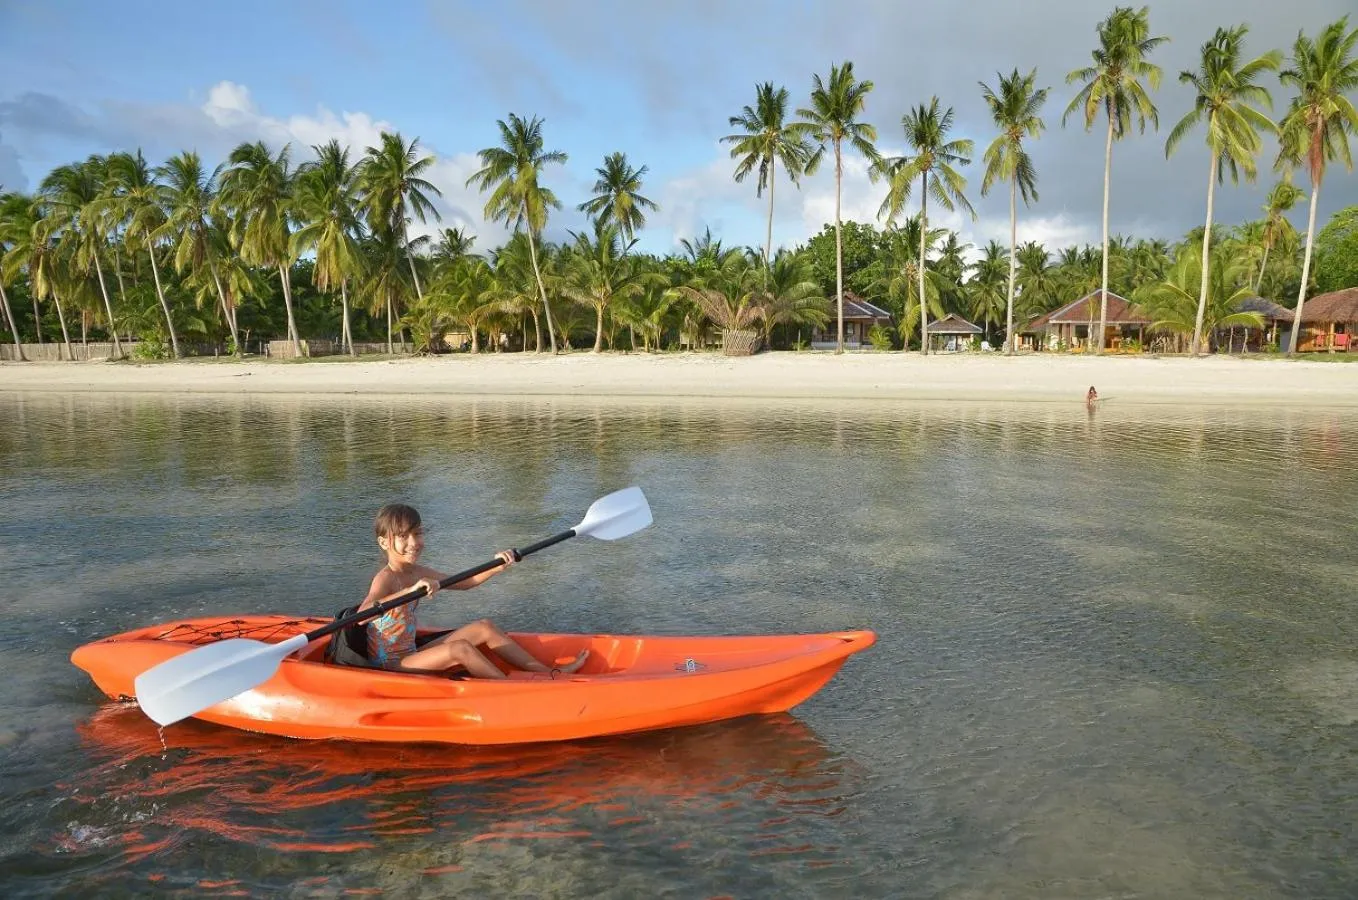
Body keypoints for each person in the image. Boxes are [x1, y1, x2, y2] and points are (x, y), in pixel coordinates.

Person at [359, 503, 588, 678]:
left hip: (411, 651)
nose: (413, 542)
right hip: (391, 664)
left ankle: (548, 674)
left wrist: (498, 565)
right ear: (384, 543)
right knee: (459, 648)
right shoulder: (385, 578)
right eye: (403, 536)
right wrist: (408, 591)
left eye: (417, 533)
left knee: (484, 627)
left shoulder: (416, 571)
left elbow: (466, 582)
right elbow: (362, 616)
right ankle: (511, 692)